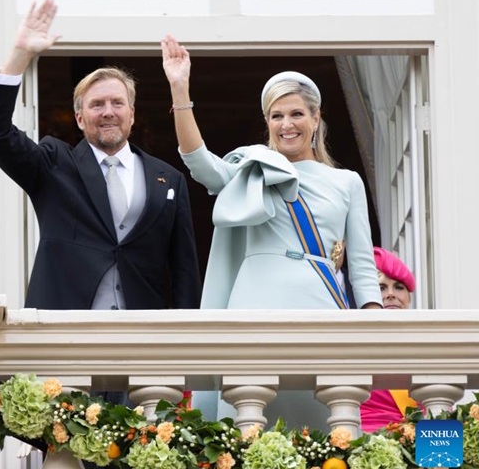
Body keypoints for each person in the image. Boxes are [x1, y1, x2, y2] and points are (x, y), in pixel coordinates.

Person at [0, 1, 201, 310]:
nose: (108, 112)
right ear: (80, 118)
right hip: (64, 331)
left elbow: (184, 270)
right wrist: (20, 56)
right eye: (97, 104)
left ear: (132, 114)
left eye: (117, 103)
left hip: (143, 334)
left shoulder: (168, 179)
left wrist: (185, 341)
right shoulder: (54, 164)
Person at [160, 35, 381, 310]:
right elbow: (199, 161)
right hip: (254, 305)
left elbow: (362, 268)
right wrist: (180, 89)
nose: (287, 124)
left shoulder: (347, 181)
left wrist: (375, 325)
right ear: (268, 121)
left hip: (321, 305)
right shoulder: (250, 169)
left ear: (316, 118)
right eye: (277, 116)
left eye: (297, 114)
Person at [360, 247, 417, 432]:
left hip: (422, 443)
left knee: (447, 453)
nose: (391, 294)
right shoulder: (355, 345)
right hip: (369, 443)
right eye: (381, 287)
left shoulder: (425, 344)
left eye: (399, 287)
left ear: (408, 297)